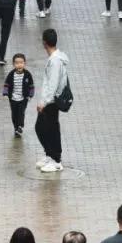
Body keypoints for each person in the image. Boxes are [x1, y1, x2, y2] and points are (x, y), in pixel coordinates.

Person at [34, 28, 68, 173]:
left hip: (52, 101)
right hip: (50, 100)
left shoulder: (55, 61)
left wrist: (44, 102)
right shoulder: (56, 58)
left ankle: (56, 160)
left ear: (44, 43)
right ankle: (49, 155)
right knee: (43, 127)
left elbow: (52, 83)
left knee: (50, 129)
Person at [2, 53, 35, 137]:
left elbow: (31, 86)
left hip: (23, 98)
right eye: (17, 63)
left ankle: (20, 126)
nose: (19, 65)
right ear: (13, 64)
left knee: (21, 113)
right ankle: (16, 128)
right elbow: (6, 84)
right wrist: (5, 94)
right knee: (14, 114)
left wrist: (30, 95)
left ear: (24, 63)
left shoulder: (27, 74)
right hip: (13, 99)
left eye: (21, 62)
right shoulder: (11, 74)